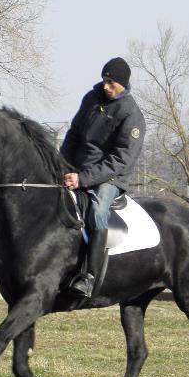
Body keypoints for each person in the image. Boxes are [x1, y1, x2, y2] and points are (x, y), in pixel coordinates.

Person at [60, 57, 146, 298]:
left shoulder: (132, 115)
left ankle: (89, 276)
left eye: (111, 83)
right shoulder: (91, 98)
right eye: (105, 81)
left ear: (123, 84)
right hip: (76, 170)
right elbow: (73, 135)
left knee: (98, 211)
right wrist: (60, 165)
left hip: (109, 177)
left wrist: (83, 179)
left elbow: (121, 160)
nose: (106, 86)